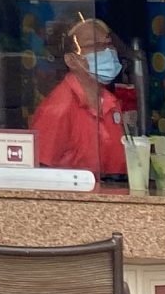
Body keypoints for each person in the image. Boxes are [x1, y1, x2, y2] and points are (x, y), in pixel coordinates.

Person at [29, 16, 138, 182]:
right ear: (71, 60)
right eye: (95, 46)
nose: (107, 51)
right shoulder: (58, 109)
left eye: (108, 44)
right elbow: (39, 177)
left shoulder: (110, 102)